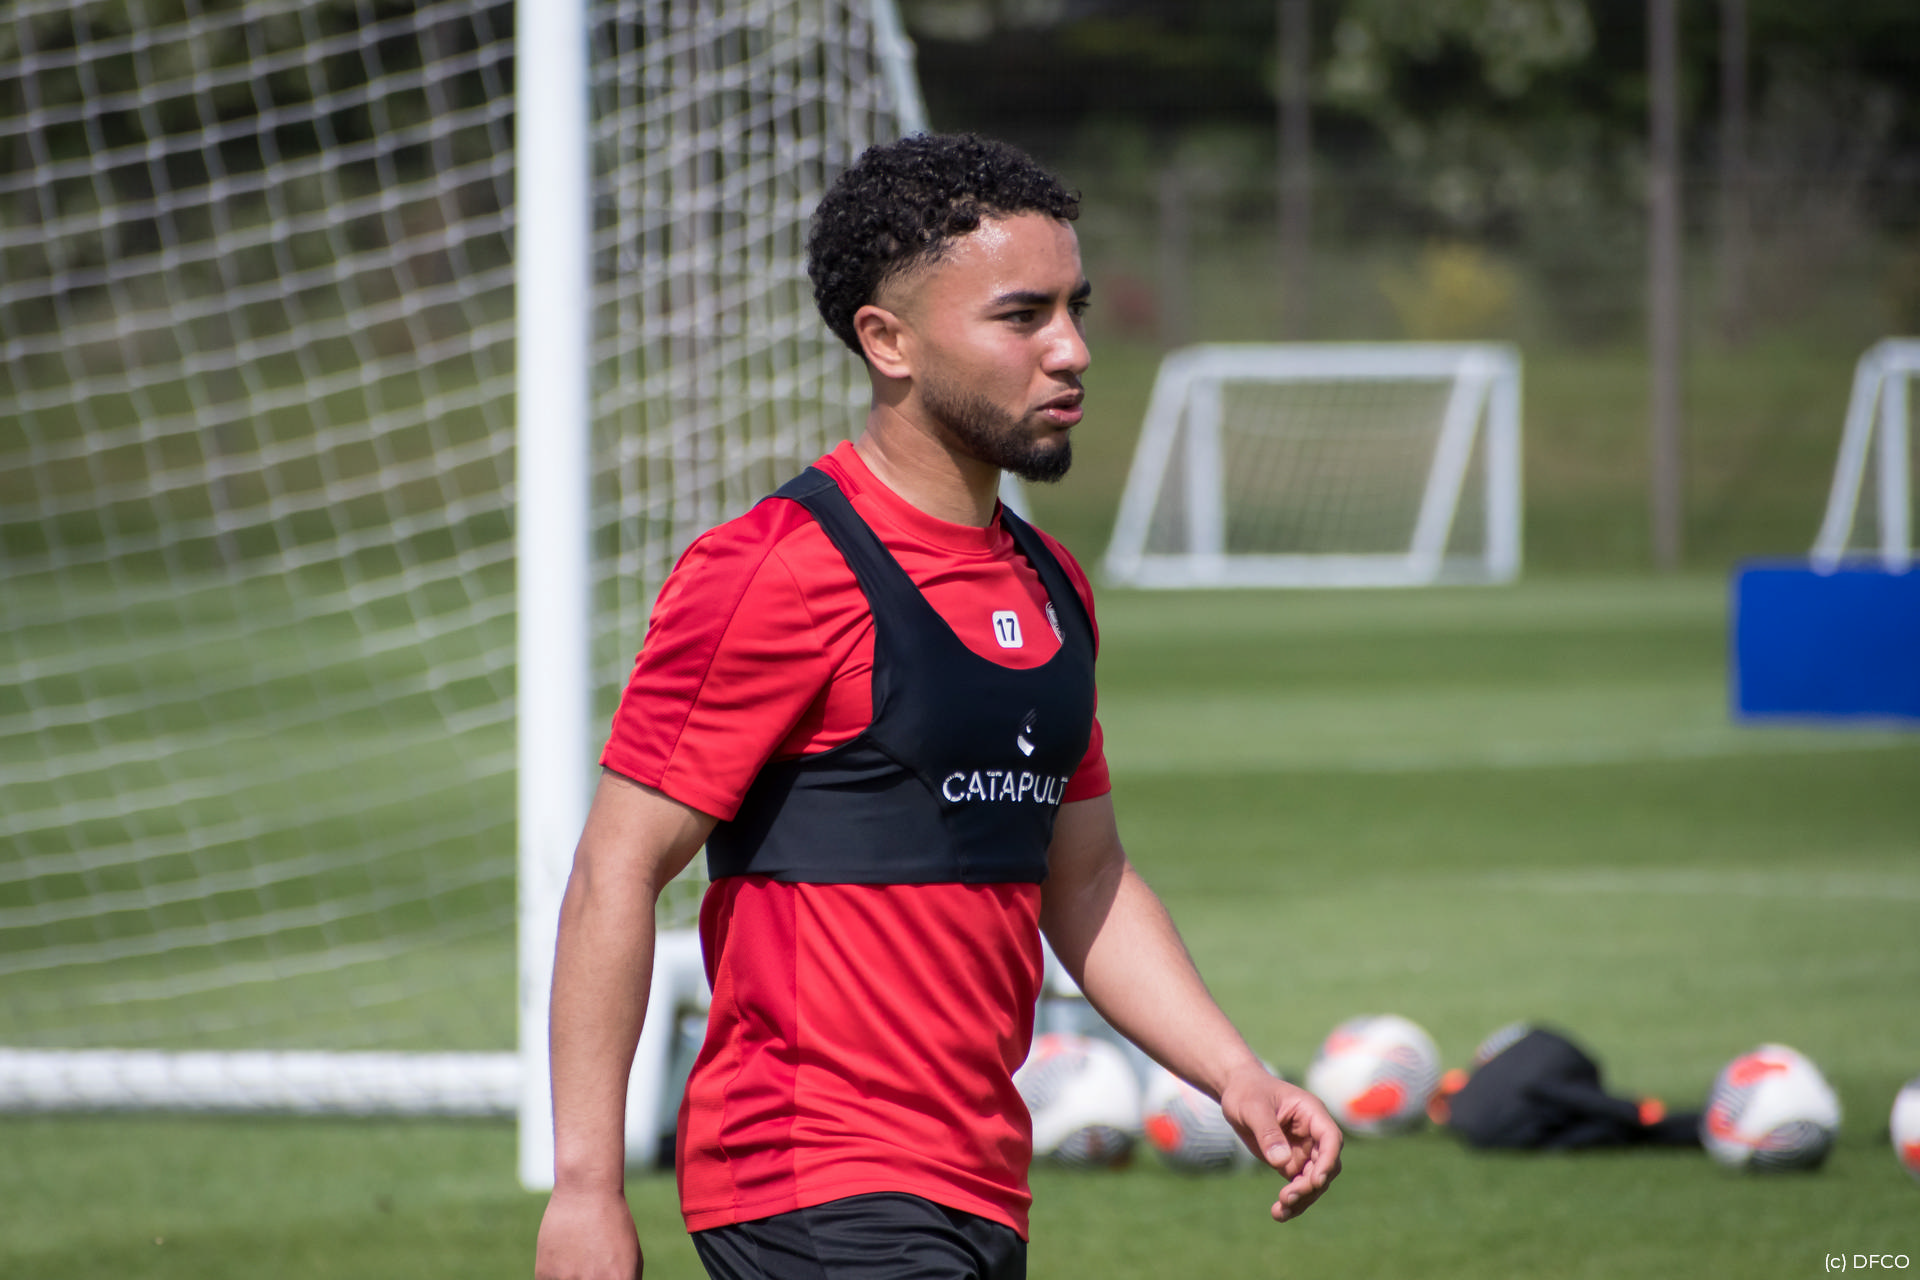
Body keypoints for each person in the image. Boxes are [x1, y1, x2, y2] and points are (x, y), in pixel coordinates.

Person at [533, 132, 1342, 1280]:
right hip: (811, 1174)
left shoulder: (1050, 585)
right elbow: (616, 868)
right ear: (888, 340)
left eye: (1075, 309)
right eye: (1022, 317)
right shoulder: (777, 570)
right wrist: (586, 1187)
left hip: (976, 1181)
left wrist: (1235, 1073)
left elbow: (1087, 880)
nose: (1072, 349)